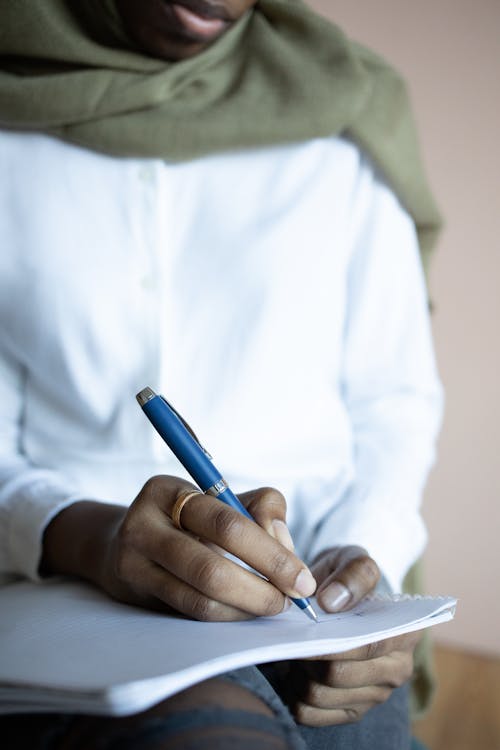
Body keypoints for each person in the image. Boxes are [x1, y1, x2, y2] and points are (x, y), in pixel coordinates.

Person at [0, 0, 443, 748]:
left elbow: (393, 403)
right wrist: (94, 540)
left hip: (322, 615)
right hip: (59, 588)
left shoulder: (349, 112)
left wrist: (362, 558)